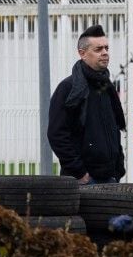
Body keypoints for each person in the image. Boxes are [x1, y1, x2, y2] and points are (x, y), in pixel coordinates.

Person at [47, 24, 126, 185]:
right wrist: (79, 172)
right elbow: (57, 134)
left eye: (106, 48)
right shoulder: (69, 88)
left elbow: (114, 129)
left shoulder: (107, 87)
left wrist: (118, 169)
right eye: (98, 49)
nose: (105, 53)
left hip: (110, 177)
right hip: (84, 180)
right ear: (82, 54)